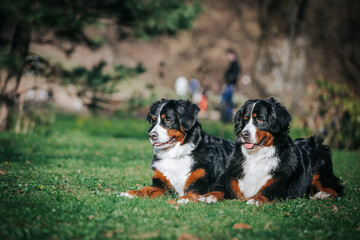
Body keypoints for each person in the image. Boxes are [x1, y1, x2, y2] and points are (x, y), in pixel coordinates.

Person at [220, 49, 241, 122]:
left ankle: (226, 118)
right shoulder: (232, 64)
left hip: (230, 85)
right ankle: (226, 117)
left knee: (226, 102)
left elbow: (233, 76)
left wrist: (228, 83)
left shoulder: (235, 64)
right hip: (229, 85)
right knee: (227, 102)